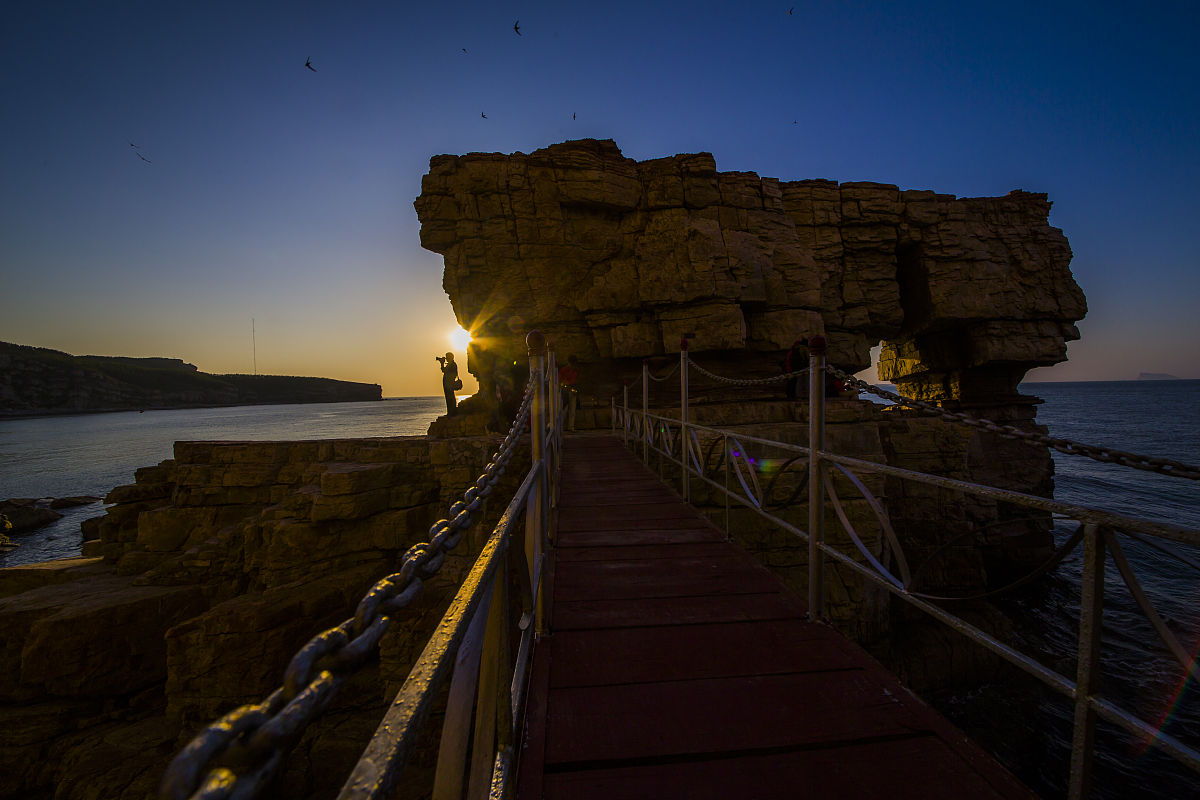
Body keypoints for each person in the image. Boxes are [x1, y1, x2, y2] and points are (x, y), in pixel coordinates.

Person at [558, 354, 580, 431]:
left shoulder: (576, 370)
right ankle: (560, 426)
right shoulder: (563, 370)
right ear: (568, 362)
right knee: (563, 409)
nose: (573, 365)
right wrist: (565, 385)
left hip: (573, 391)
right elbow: (559, 380)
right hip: (564, 391)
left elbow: (577, 380)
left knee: (572, 409)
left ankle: (571, 427)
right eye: (572, 363)